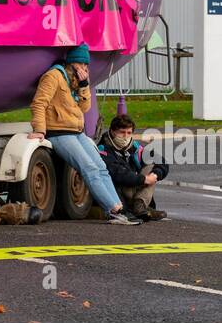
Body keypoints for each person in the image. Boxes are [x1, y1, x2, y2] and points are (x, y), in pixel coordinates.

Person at [28, 45, 140, 225]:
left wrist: (84, 85)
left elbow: (84, 108)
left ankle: (119, 206)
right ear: (72, 63)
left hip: (77, 132)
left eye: (86, 65)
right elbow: (39, 103)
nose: (85, 68)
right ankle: (112, 210)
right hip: (59, 133)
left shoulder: (75, 81)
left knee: (101, 167)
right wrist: (40, 130)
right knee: (90, 168)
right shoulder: (53, 76)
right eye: (81, 64)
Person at [98, 114, 169, 221]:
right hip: (119, 192)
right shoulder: (103, 149)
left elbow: (161, 160)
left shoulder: (134, 147)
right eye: (122, 132)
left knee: (152, 166)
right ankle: (137, 208)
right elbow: (117, 174)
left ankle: (140, 205)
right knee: (131, 176)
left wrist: (155, 174)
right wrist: (143, 179)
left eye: (129, 133)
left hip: (135, 188)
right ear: (112, 132)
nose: (126, 136)